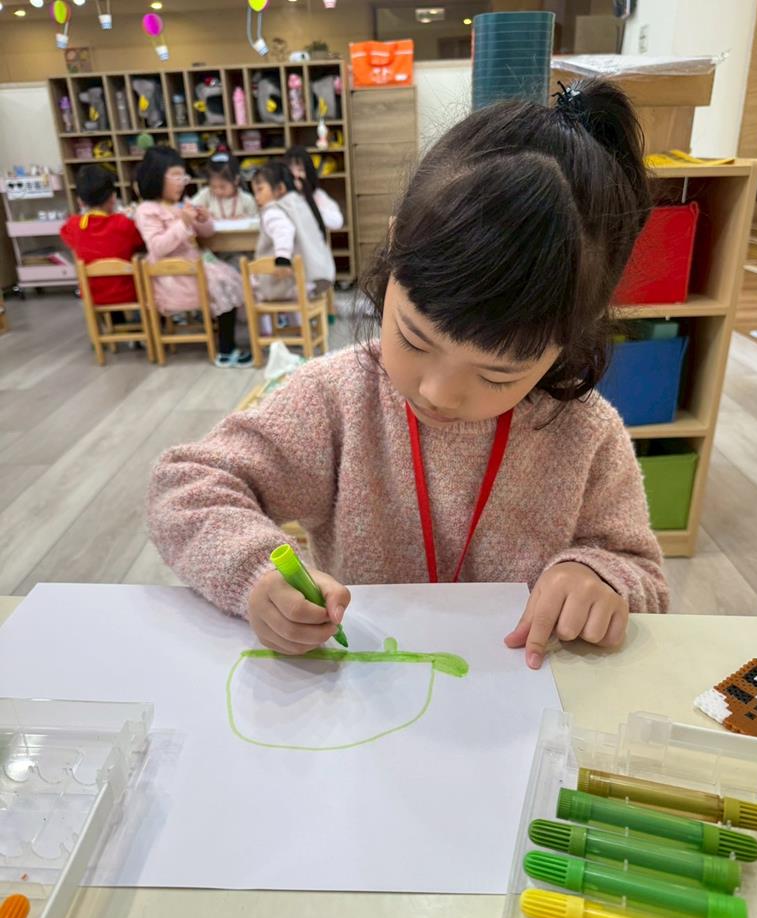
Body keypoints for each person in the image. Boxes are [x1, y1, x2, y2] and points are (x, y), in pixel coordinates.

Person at [148, 80, 669, 666]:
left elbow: (641, 572)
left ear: (568, 341)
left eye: (497, 375)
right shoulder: (335, 399)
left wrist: (597, 576)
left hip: (519, 690)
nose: (438, 392)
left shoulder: (586, 433)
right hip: (366, 683)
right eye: (416, 339)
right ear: (396, 248)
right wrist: (257, 573)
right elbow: (186, 487)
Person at [134, 146, 252, 368]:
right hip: (173, 276)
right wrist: (183, 223)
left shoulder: (180, 205)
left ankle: (227, 345)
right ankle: (226, 349)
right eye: (176, 177)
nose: (182, 183)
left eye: (183, 177)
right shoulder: (147, 210)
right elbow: (157, 247)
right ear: (156, 176)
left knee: (230, 278)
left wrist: (203, 220)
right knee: (224, 282)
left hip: (193, 268)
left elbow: (207, 233)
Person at [250, 160, 335, 301]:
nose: (256, 197)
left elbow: (284, 231)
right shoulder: (299, 203)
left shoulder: (273, 211)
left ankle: (275, 315)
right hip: (315, 275)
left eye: (260, 190)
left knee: (250, 283)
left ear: (280, 188)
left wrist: (282, 260)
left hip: (288, 283)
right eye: (254, 192)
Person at [61, 165, 144, 306]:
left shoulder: (74, 224)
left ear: (80, 201)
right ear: (113, 197)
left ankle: (111, 320)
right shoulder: (123, 223)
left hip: (92, 296)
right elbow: (140, 242)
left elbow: (66, 235)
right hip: (128, 293)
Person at [286, 145, 343, 230]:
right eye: (291, 171)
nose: (296, 175)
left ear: (308, 172)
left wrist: (312, 207)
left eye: (300, 170)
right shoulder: (281, 196)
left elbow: (337, 222)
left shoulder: (317, 195)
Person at [191, 151, 258, 221]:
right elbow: (191, 207)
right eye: (213, 187)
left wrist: (247, 218)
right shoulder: (206, 194)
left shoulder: (246, 200)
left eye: (222, 187)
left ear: (236, 180)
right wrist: (201, 214)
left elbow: (256, 220)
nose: (218, 191)